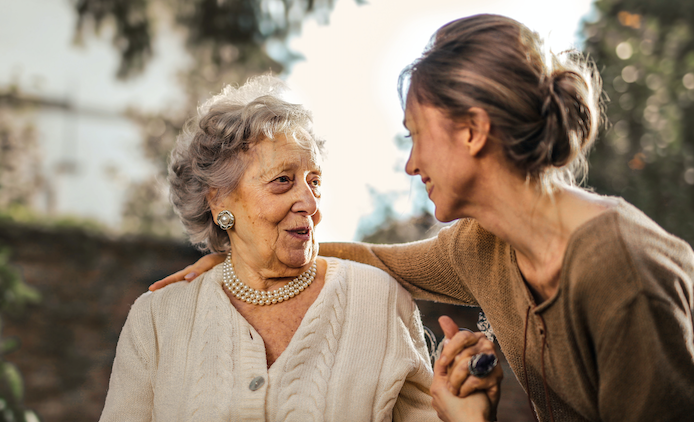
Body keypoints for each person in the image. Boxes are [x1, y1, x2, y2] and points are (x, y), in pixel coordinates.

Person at [150, 14, 694, 422]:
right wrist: (240, 258)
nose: (411, 164)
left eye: (416, 135)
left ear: (473, 131)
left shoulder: (622, 275)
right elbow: (374, 259)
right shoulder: (483, 246)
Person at [100, 75, 480, 421]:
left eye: (314, 181)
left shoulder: (378, 299)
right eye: (283, 180)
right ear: (219, 203)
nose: (310, 203)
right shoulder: (157, 318)